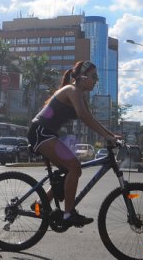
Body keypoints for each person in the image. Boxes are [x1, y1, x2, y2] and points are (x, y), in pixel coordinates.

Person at [27, 60, 121, 228]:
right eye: (94, 76)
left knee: (71, 171)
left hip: (47, 133)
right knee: (74, 167)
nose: (96, 80)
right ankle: (68, 214)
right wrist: (107, 137)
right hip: (40, 132)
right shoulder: (72, 90)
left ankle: (40, 204)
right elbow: (83, 116)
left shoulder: (80, 95)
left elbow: (90, 118)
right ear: (82, 77)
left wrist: (111, 135)